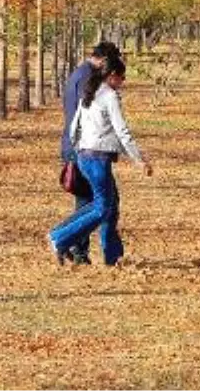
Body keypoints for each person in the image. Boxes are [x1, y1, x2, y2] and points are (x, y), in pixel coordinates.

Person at [49, 57, 152, 267]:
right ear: (112, 74)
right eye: (121, 77)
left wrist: (77, 149)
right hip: (97, 159)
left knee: (109, 205)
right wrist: (138, 160)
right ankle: (60, 237)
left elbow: (75, 125)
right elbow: (121, 130)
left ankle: (113, 257)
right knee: (102, 208)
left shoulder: (90, 91)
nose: (122, 82)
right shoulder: (109, 95)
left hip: (85, 155)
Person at [60, 41, 121, 264]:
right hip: (86, 150)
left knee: (93, 202)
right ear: (104, 60)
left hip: (80, 148)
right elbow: (86, 118)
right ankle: (72, 246)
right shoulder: (88, 79)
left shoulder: (80, 73)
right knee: (98, 204)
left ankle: (77, 246)